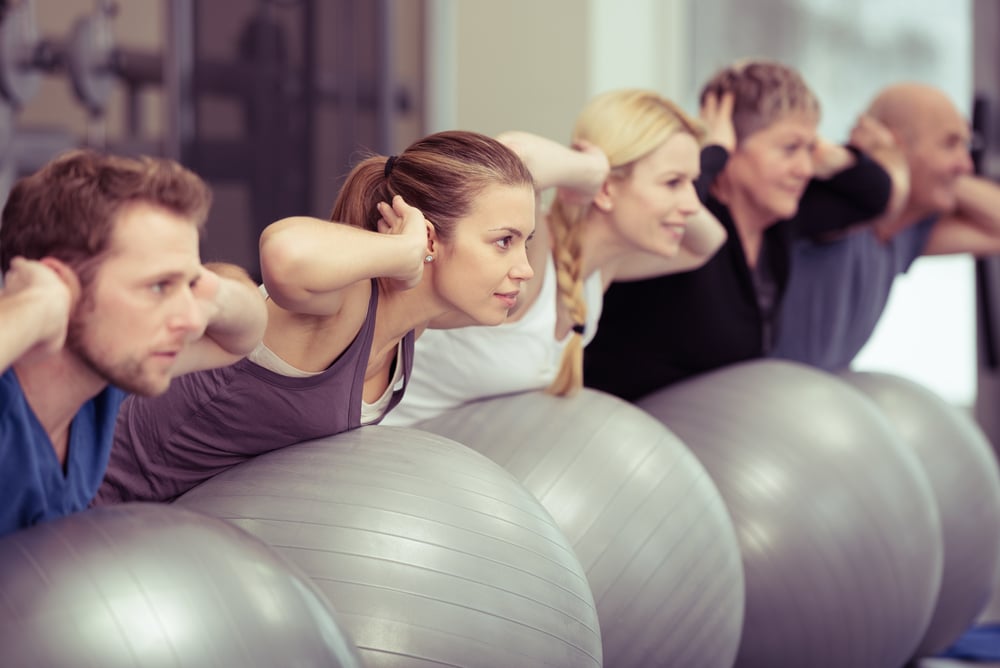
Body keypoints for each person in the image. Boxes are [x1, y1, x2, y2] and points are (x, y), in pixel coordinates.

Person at [96, 130, 536, 504]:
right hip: (98, 502)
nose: (525, 267)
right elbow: (283, 253)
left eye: (525, 242)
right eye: (503, 241)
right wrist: (402, 251)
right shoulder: (349, 300)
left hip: (180, 532)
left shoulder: (416, 317)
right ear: (430, 239)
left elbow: (528, 160)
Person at [382, 88, 727, 427]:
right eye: (672, 183)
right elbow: (512, 158)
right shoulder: (530, 250)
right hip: (374, 449)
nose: (692, 204)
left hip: (439, 456)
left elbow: (708, 242)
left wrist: (704, 155)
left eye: (691, 183)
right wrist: (594, 169)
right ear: (606, 189)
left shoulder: (599, 269)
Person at [583, 59, 896, 401]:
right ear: (733, 148)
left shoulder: (781, 223)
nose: (805, 168)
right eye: (790, 148)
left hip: (711, 436)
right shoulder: (680, 226)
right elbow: (673, 201)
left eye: (810, 149)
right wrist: (713, 151)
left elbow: (875, 195)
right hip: (624, 428)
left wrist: (836, 155)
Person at [0, 149, 268, 536]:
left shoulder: (100, 380)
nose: (192, 321)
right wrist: (36, 306)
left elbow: (240, 338)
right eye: (158, 286)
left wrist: (204, 290)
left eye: (186, 285)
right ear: (60, 286)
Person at [773, 82, 1000, 370]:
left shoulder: (907, 233)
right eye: (951, 144)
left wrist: (936, 174)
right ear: (897, 144)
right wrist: (889, 162)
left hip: (810, 402)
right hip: (756, 399)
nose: (965, 164)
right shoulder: (835, 207)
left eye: (965, 147)